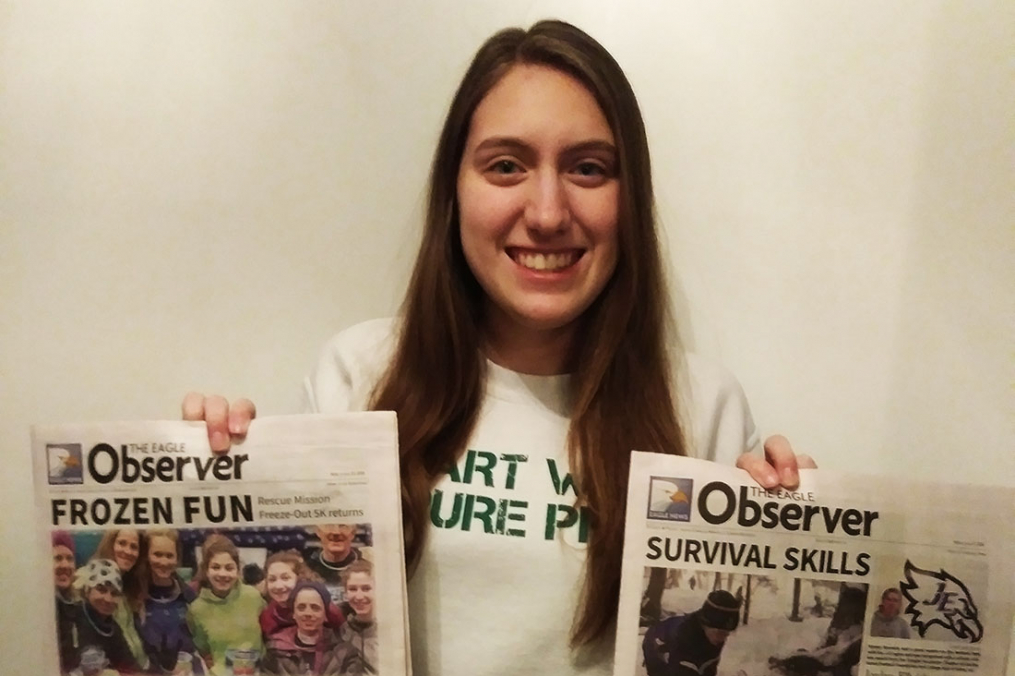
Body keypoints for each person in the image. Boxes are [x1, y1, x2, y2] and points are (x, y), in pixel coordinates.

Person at [182, 19, 814, 676]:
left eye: (588, 169)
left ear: (630, 198)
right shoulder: (358, 374)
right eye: (506, 166)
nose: (546, 212)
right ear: (454, 189)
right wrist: (210, 472)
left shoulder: (701, 405)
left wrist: (787, 515)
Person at [186, 534, 266, 674]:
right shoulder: (197, 609)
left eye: (229, 568)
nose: (223, 574)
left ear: (237, 570)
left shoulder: (253, 596)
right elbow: (204, 650)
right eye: (216, 567)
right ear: (206, 570)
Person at [136, 529, 203, 674]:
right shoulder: (135, 596)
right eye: (157, 554)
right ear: (146, 556)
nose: (164, 562)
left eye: (169, 556)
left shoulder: (188, 595)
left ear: (177, 558)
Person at [66, 559, 141, 674]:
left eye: (114, 593)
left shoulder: (112, 628)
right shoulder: (72, 617)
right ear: (87, 590)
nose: (108, 599)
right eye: (101, 590)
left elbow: (131, 668)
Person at [89, 529, 150, 671]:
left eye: (134, 547)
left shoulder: (133, 585)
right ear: (110, 544)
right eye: (122, 543)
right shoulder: (90, 581)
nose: (128, 551)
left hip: (141, 666)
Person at [644, 590, 741, 676]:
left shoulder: (714, 638)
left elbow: (708, 667)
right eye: (720, 632)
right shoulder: (682, 639)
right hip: (655, 648)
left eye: (727, 633)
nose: (722, 639)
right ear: (704, 624)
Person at [262, 580, 344, 676]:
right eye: (301, 607)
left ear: (325, 614)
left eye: (315, 608)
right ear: (293, 614)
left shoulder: (342, 651)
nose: (308, 613)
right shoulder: (275, 651)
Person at [260, 549, 344, 640]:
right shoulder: (268, 616)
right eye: (272, 579)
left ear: (300, 578)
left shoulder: (327, 610)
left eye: (285, 578)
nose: (278, 586)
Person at [303, 524, 370, 608]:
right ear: (318, 531)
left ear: (353, 532)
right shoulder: (305, 571)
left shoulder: (370, 568)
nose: (336, 532)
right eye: (329, 525)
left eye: (343, 526)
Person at [331, 561, 377, 676]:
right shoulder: (340, 631)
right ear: (345, 593)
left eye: (366, 588)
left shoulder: (391, 630)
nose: (359, 596)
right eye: (352, 589)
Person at [53, 530, 80, 673]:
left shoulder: (74, 603)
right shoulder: (41, 608)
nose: (65, 565)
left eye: (70, 558)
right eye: (58, 558)